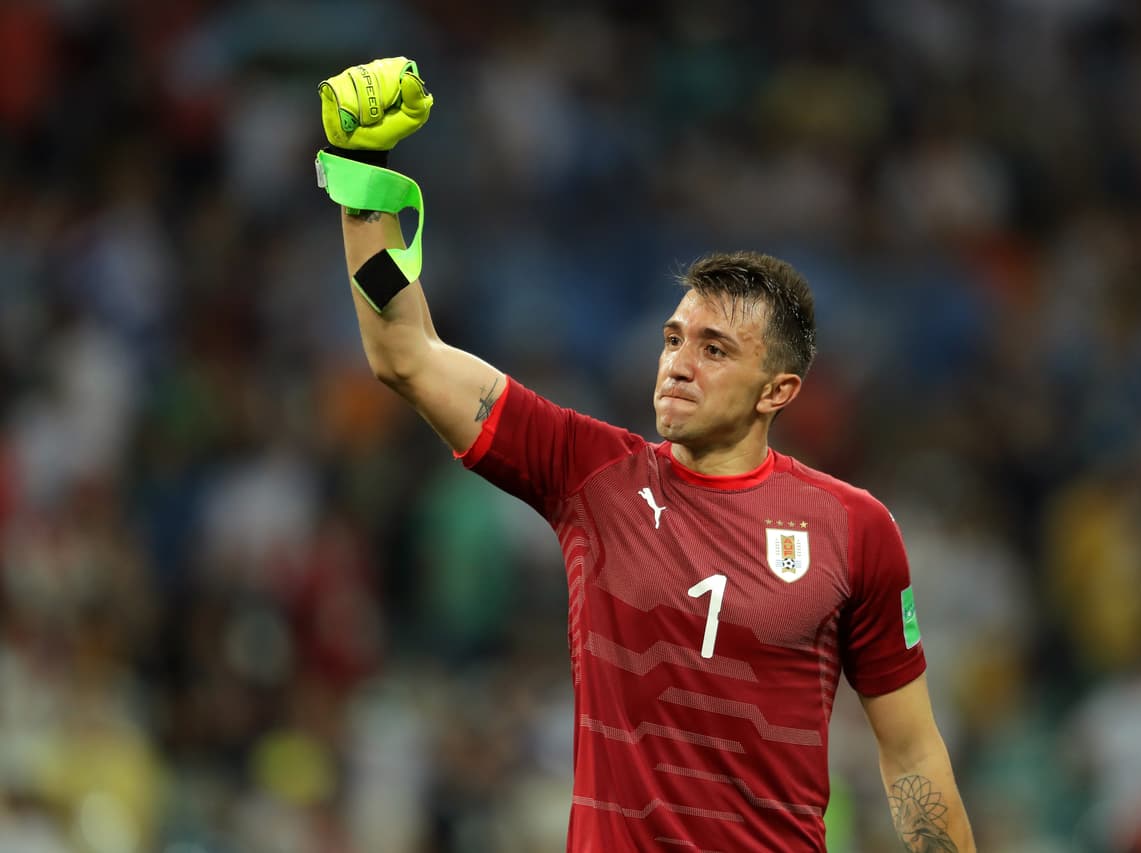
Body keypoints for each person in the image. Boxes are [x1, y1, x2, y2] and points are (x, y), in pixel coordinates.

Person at [315, 57, 976, 853]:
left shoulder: (854, 528)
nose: (677, 364)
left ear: (779, 390)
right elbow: (406, 355)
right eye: (672, 339)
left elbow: (911, 752)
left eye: (714, 348)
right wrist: (363, 180)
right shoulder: (590, 474)